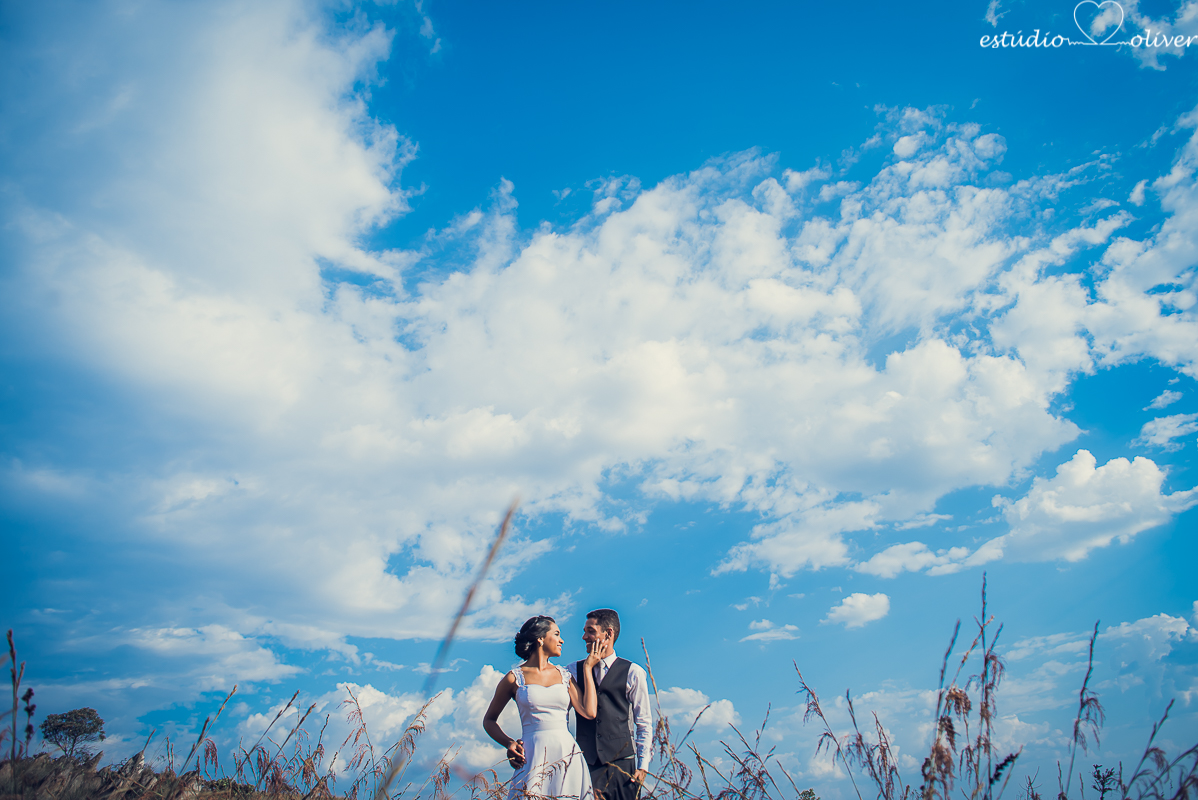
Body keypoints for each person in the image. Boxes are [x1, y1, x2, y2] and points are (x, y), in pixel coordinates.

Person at [484, 615, 601, 800]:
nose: (562, 640)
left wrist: (587, 668)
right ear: (540, 638)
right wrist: (509, 743)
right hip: (532, 754)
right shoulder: (514, 678)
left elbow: (589, 711)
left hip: (566, 752)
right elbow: (489, 720)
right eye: (556, 634)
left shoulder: (565, 675)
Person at [567, 609, 653, 800]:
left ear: (608, 633)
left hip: (623, 767)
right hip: (585, 764)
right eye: (584, 631)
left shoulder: (633, 672)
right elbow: (560, 717)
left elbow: (644, 722)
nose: (584, 637)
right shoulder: (572, 671)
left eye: (590, 631)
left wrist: (643, 765)